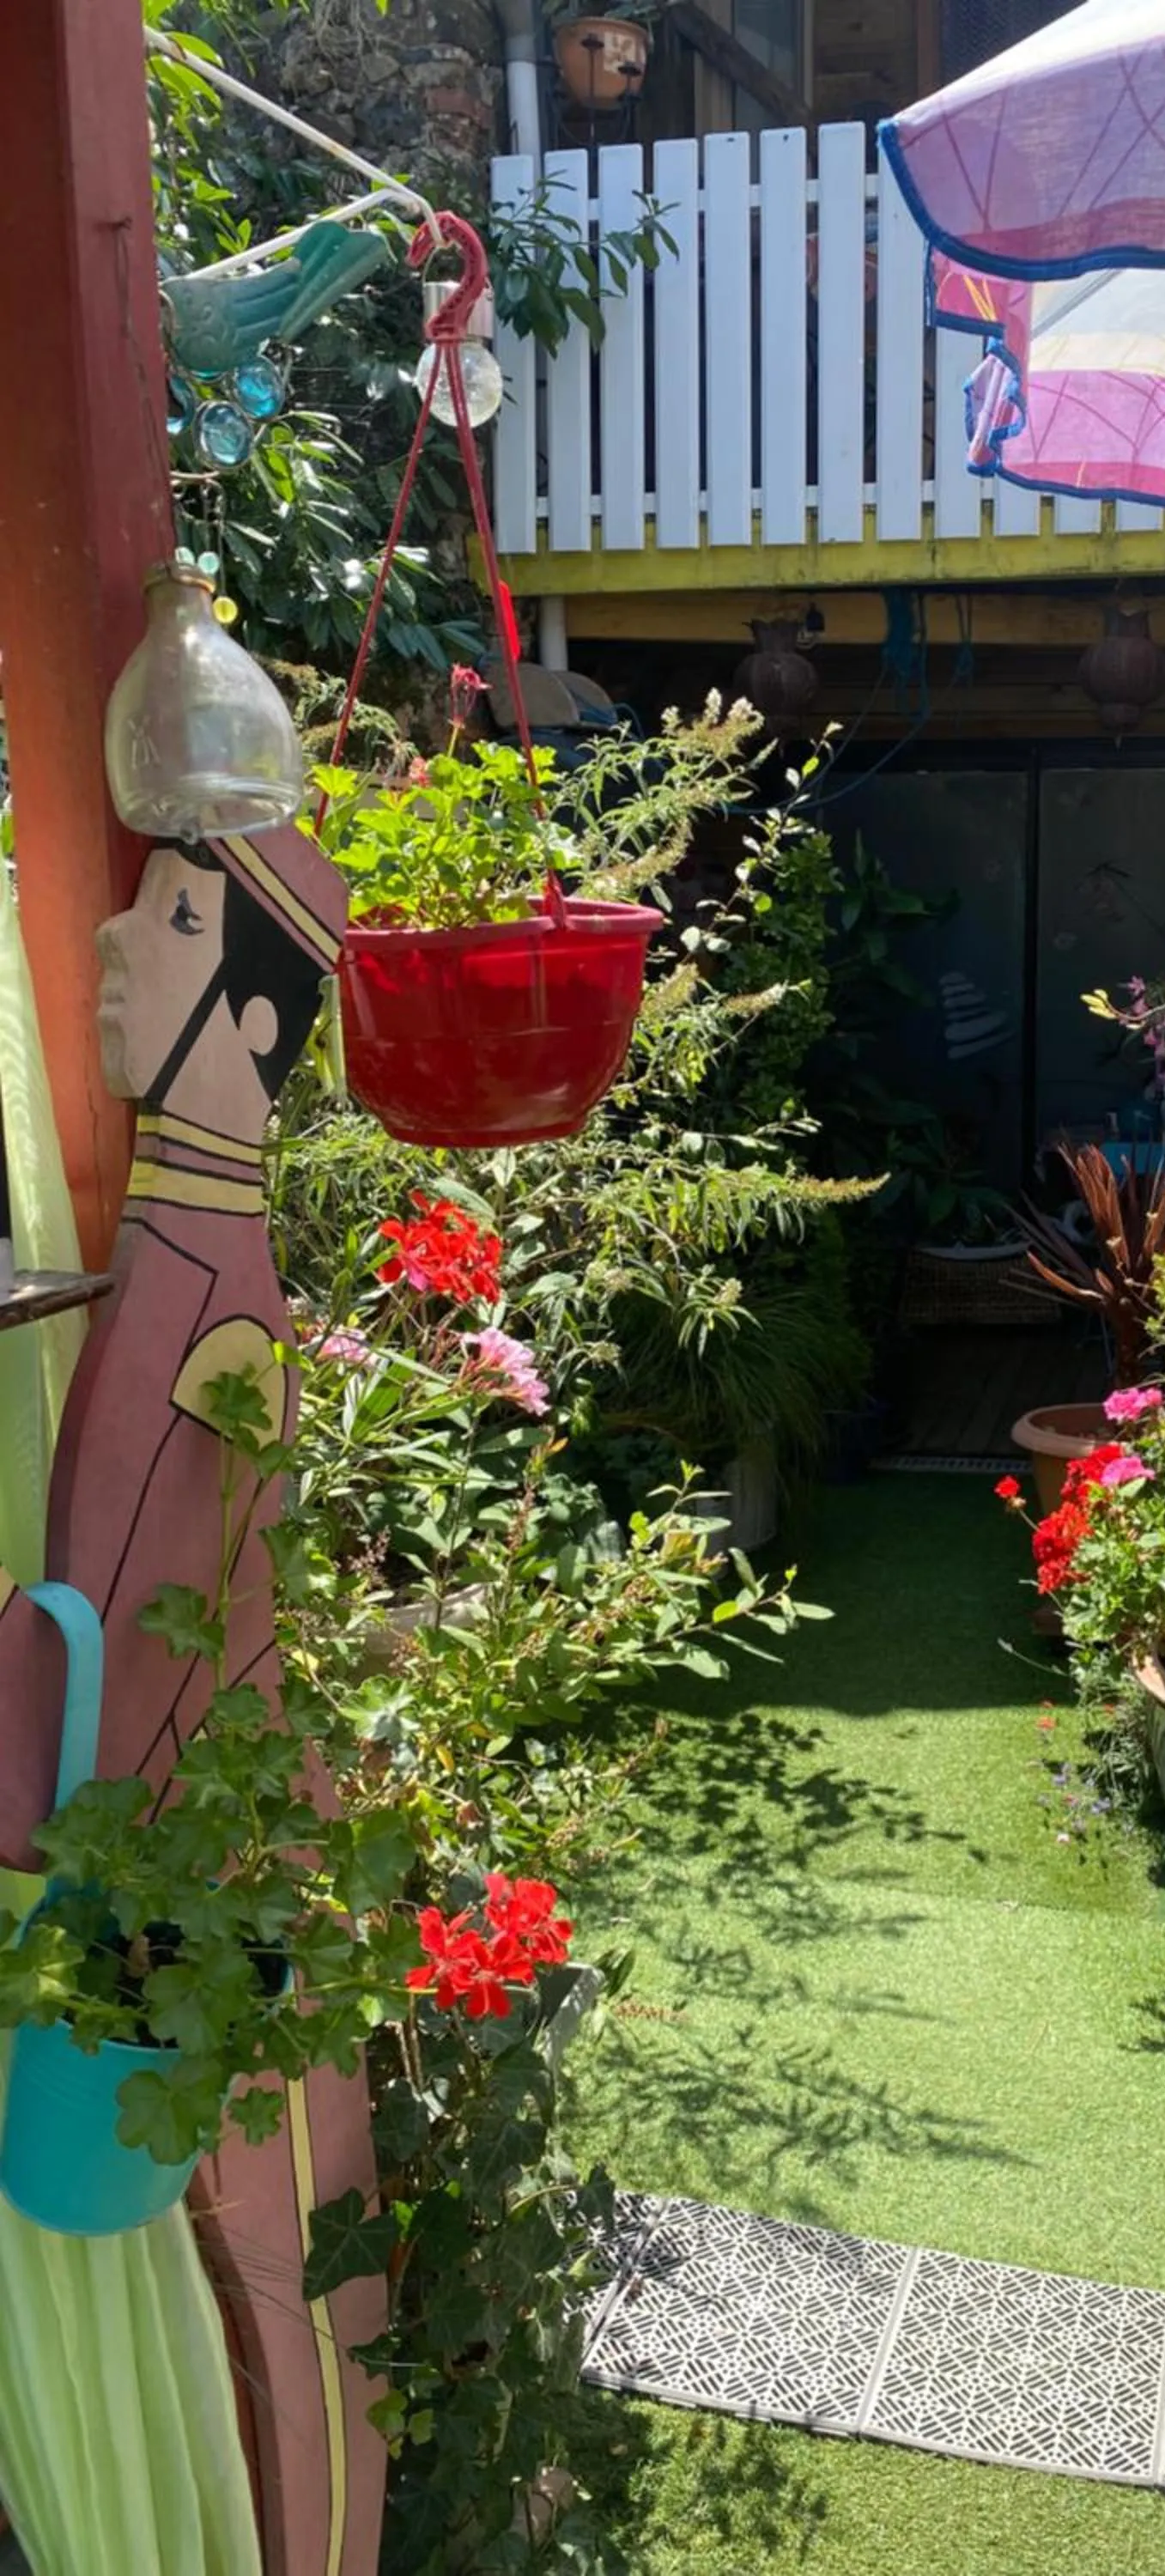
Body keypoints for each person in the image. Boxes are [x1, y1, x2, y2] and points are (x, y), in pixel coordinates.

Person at [0, 825, 386, 2576]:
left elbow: (143, 1641)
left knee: (300, 2297)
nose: (105, 945)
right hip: (195, 1871)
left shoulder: (205, 1292)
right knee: (288, 2292)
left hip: (219, 1893)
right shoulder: (175, 1261)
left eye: (163, 919)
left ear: (244, 1030)